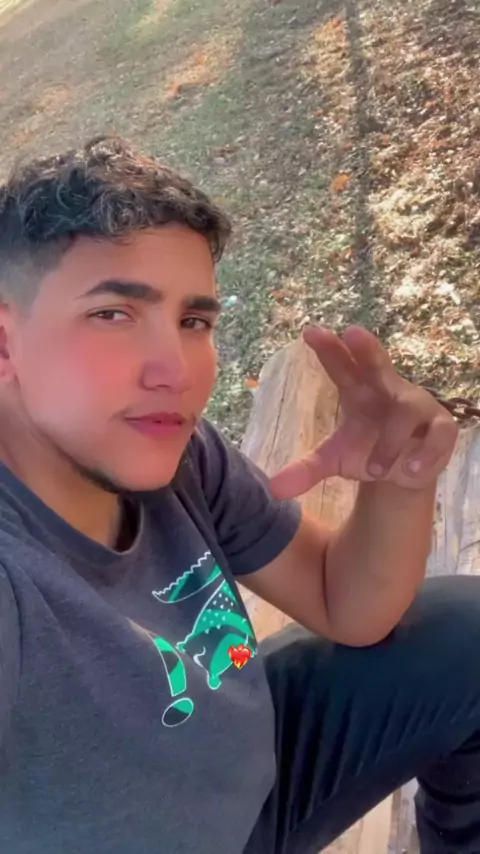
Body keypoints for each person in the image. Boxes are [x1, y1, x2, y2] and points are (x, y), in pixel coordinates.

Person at [0, 135, 478, 854]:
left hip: (254, 770)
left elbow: (345, 603)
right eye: (113, 313)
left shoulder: (180, 455)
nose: (176, 370)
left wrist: (398, 483)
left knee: (469, 632)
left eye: (193, 321)